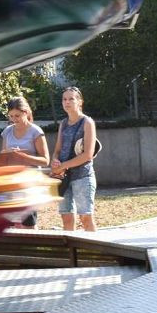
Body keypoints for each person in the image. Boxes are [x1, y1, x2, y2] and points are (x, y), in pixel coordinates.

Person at [50, 86, 97, 232]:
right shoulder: (63, 124)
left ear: (80, 101)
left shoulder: (87, 122)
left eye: (71, 99)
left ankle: (95, 253)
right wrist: (55, 161)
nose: (67, 102)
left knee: (85, 218)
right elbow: (57, 151)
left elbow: (88, 155)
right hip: (64, 178)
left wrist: (63, 165)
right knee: (67, 218)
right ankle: (71, 253)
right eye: (64, 99)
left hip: (82, 177)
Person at [0, 97, 49, 228]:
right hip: (12, 181)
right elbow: (2, 156)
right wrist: (6, 154)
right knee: (12, 221)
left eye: (17, 115)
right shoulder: (7, 131)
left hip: (30, 182)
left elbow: (45, 160)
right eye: (11, 116)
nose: (14, 119)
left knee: (28, 222)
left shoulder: (36, 131)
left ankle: (33, 245)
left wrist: (23, 157)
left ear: (26, 112)